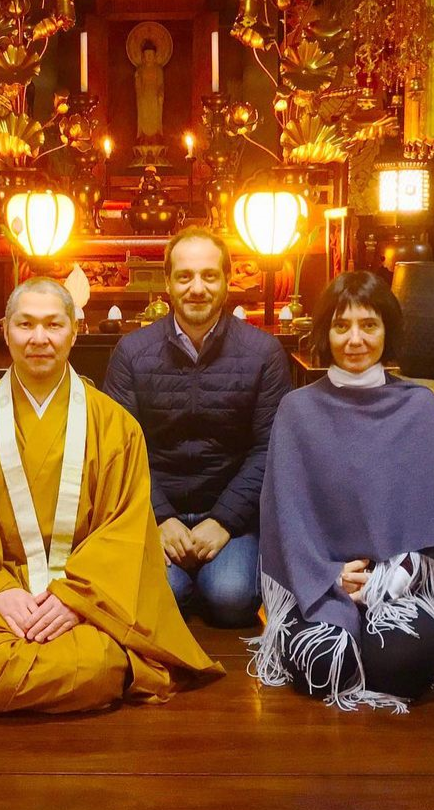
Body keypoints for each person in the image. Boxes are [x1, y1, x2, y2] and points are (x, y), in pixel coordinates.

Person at [0, 277, 223, 713]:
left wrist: (75, 600)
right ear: (5, 329)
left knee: (94, 663)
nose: (39, 338)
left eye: (53, 324)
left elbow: (124, 534)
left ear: (75, 330)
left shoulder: (116, 427)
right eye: (26, 325)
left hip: (85, 600)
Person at [250, 271, 434, 711]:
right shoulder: (297, 411)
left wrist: (390, 578)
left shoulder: (420, 408)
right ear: (325, 333)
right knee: (325, 663)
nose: (355, 339)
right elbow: (287, 517)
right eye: (342, 326)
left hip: (404, 583)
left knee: (403, 664)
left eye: (369, 325)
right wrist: (331, 576)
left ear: (387, 331)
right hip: (321, 582)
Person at [104, 227, 290, 627]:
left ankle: (203, 580)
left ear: (226, 281)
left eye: (209, 275)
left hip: (229, 512)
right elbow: (119, 448)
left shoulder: (263, 353)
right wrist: (158, 517)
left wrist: (224, 520)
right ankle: (184, 581)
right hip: (154, 511)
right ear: (168, 283)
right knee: (164, 595)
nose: (197, 288)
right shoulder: (132, 353)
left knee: (231, 599)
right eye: (185, 276)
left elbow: (269, 449)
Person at [134, 40, 164, 142]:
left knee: (155, 116)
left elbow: (160, 84)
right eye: (147, 54)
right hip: (144, 96)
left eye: (151, 54)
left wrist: (160, 94)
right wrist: (137, 78)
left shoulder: (158, 69)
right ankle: (144, 136)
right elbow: (138, 86)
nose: (149, 57)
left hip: (155, 97)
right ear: (143, 56)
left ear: (155, 55)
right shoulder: (141, 69)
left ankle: (155, 135)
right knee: (144, 115)